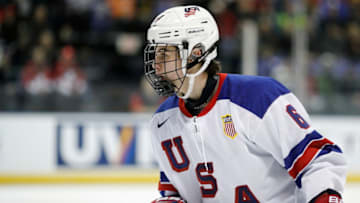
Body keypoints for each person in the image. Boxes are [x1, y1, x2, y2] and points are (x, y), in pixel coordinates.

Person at [144, 5, 347, 203]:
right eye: (155, 54)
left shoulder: (258, 98)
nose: (156, 64)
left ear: (197, 52)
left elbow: (319, 161)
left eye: (165, 53)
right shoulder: (163, 121)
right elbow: (174, 192)